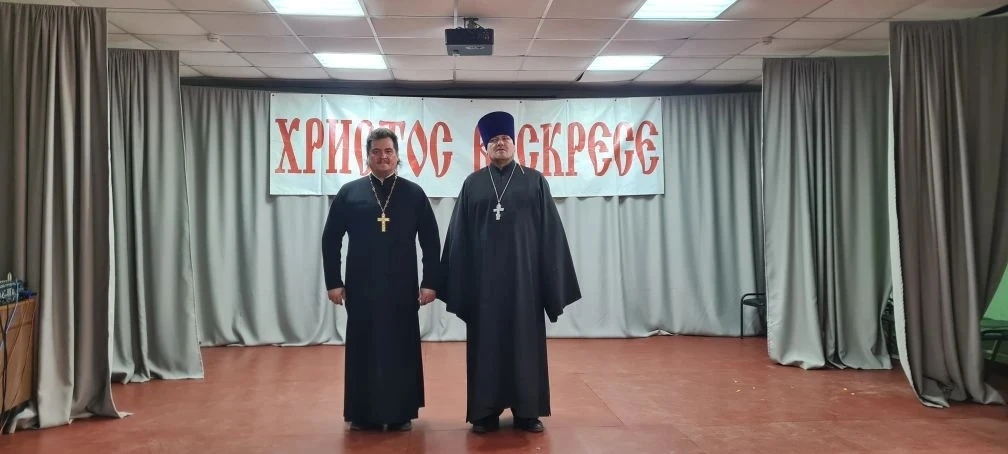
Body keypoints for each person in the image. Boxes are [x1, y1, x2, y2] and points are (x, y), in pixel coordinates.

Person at [438, 111, 582, 434]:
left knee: (525, 347)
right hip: (483, 287)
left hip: (524, 284)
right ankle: (484, 412)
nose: (500, 144)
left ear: (514, 144)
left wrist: (551, 284)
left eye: (505, 138)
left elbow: (551, 235)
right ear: (485, 148)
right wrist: (458, 284)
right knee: (485, 348)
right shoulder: (472, 184)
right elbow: (459, 237)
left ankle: (527, 412)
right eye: (493, 140)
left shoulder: (535, 181)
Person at [321, 127, 441, 432]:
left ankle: (401, 412)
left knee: (400, 348)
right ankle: (362, 413)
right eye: (376, 151)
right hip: (361, 287)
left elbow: (431, 240)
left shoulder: (414, 193)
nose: (382, 157)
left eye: (388, 151)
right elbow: (331, 239)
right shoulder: (350, 192)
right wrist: (333, 282)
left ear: (397, 156)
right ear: (368, 156)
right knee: (364, 348)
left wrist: (430, 282)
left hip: (402, 287)